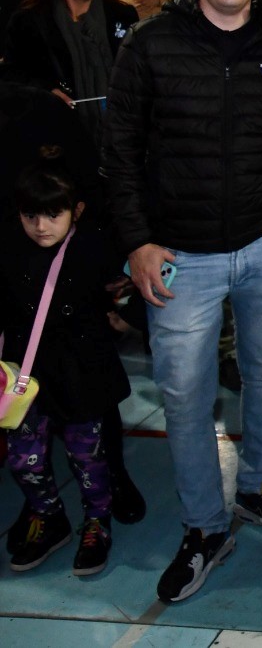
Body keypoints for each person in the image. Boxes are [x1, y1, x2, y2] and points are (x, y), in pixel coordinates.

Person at [101, 0, 262, 605]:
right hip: (178, 258)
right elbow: (119, 152)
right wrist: (136, 240)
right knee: (186, 398)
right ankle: (202, 525)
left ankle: (257, 487)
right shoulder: (151, 45)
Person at [2, 164, 129, 577]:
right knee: (24, 460)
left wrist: (124, 311)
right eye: (30, 216)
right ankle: (47, 516)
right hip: (26, 378)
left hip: (80, 375)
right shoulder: (9, 249)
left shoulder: (93, 246)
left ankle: (97, 522)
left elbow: (121, 286)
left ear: (76, 210)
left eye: (53, 215)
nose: (41, 227)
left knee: (88, 458)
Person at [2, 0, 140, 146]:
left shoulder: (121, 14)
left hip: (122, 129)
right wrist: (46, 90)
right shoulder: (29, 22)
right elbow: (12, 74)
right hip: (56, 131)